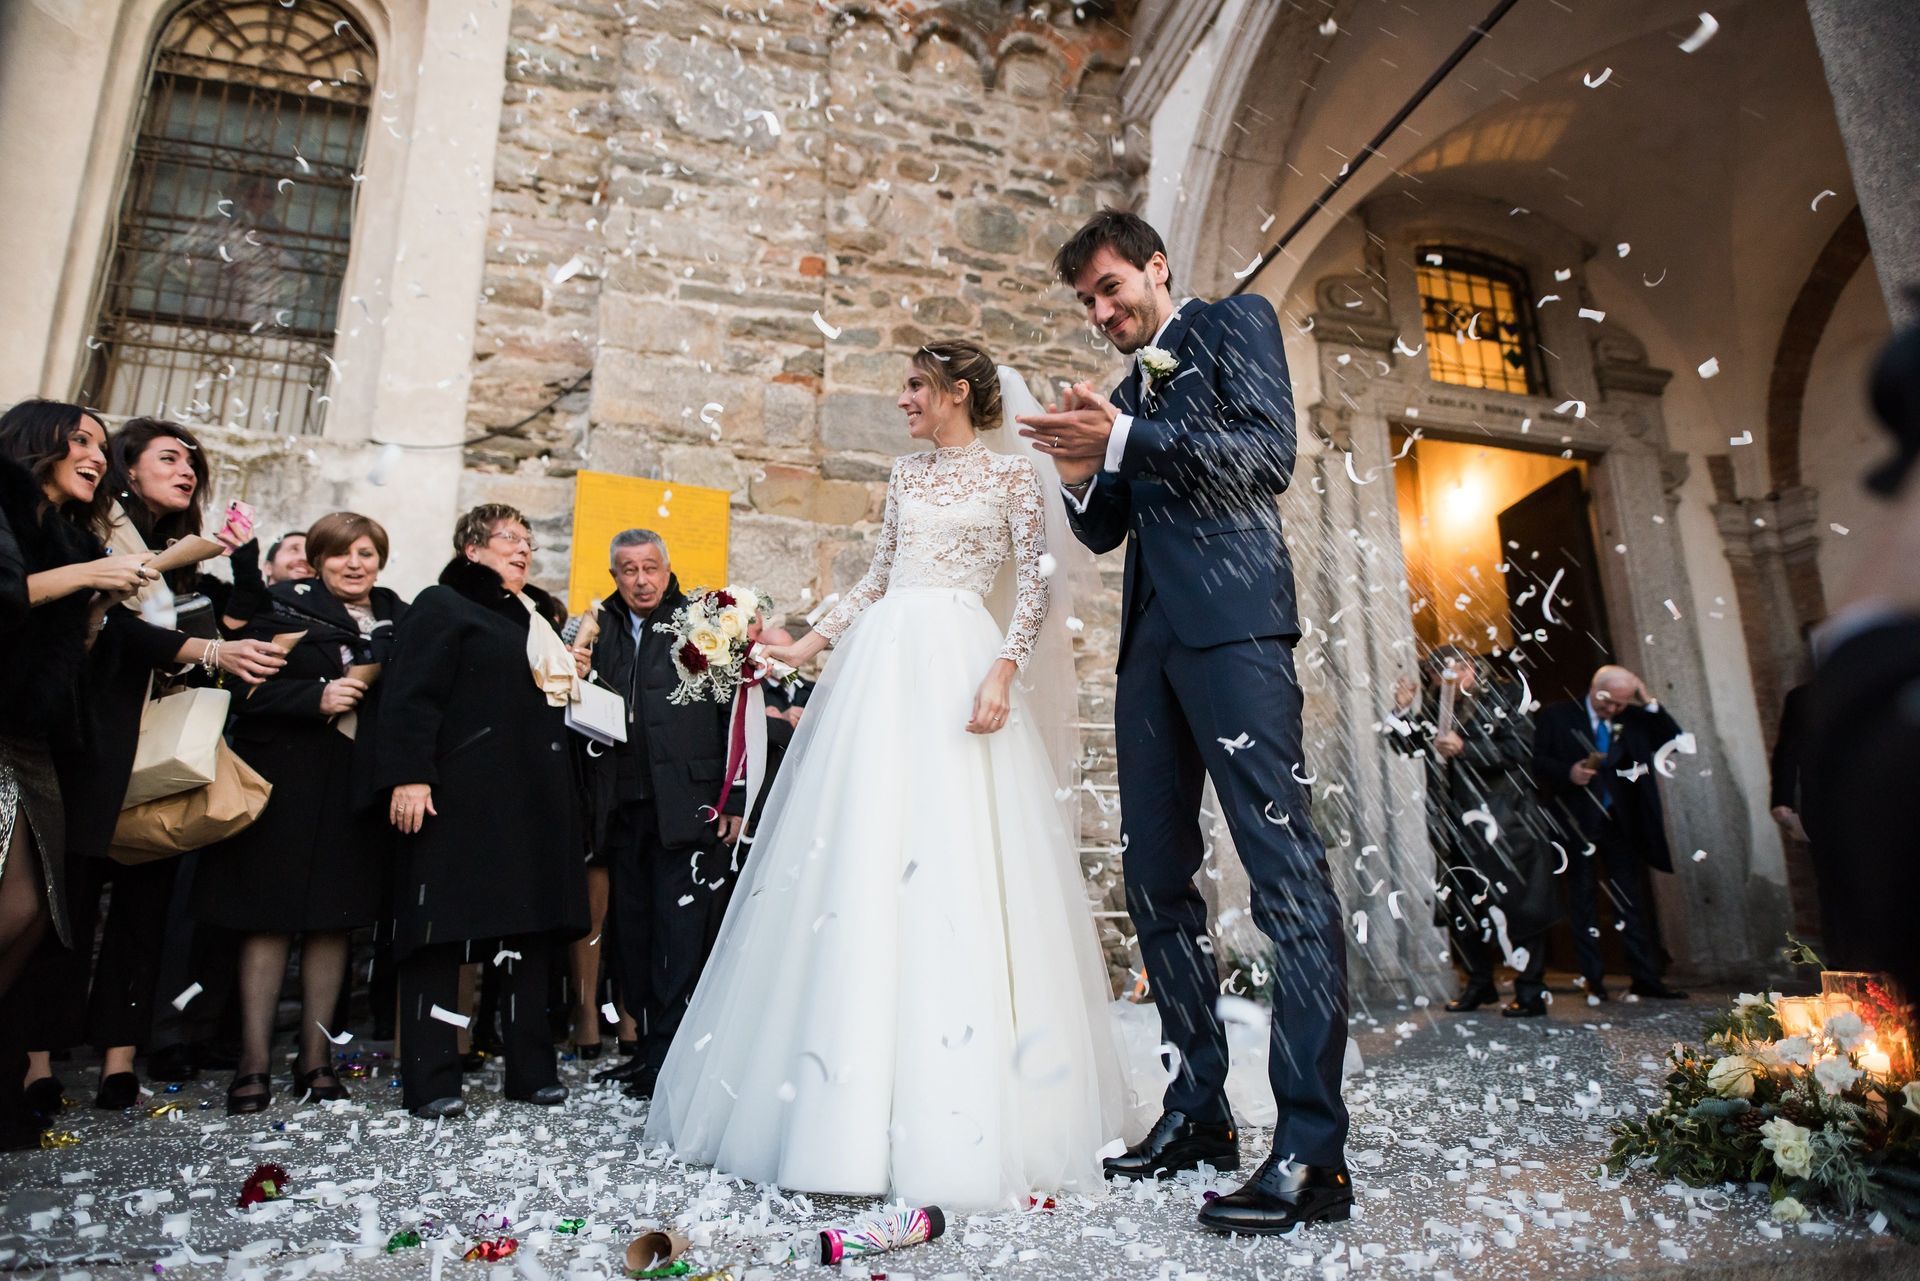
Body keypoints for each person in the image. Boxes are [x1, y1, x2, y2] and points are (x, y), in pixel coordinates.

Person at [645, 341, 1128, 1211]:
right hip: (882, 667)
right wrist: (804, 643)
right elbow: (876, 577)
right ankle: (835, 1111)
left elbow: (1034, 591)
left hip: (958, 664)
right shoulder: (905, 477)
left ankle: (962, 1108)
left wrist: (1004, 670)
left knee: (954, 860)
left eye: (915, 386)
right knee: (860, 855)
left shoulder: (1015, 478)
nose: (903, 399)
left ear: (957, 394)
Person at [1015, 209, 1350, 1234]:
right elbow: (1111, 526)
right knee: (1157, 883)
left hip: (1241, 634)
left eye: (1114, 288)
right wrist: (1082, 470)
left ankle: (1310, 1151)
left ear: (1158, 270)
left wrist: (1122, 433)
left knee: (1284, 874)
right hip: (1150, 653)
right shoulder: (1123, 396)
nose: (1104, 312)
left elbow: (1265, 455)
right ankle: (1198, 1110)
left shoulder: (1234, 324)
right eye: (1088, 303)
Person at [21, 417, 284, 1118]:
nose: (187, 469)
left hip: (163, 743)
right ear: (126, 469)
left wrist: (238, 560)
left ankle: (117, 1058)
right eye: (169, 457)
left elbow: (225, 625)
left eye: (193, 460)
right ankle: (37, 1059)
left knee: (146, 906)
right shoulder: (99, 536)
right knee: (67, 902)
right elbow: (112, 625)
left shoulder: (184, 552)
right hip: (95, 738)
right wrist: (204, 654)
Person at [373, 503, 588, 1118]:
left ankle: (530, 1069)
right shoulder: (442, 606)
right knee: (439, 937)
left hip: (527, 801)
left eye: (529, 541)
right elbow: (411, 694)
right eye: (507, 540)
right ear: (471, 549)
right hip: (458, 798)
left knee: (527, 932)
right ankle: (432, 1077)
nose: (522, 549)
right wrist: (410, 775)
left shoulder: (532, 618)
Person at [190, 512, 406, 1112]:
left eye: (366, 552)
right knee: (268, 918)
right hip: (282, 781)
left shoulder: (397, 615)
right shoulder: (279, 606)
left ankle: (316, 1059)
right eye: (340, 554)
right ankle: (254, 1060)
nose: (355, 563)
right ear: (317, 561)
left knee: (333, 920)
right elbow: (241, 689)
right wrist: (316, 696)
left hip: (351, 790)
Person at [0, 401, 151, 1148]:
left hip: (36, 735)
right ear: (39, 443)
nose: (99, 455)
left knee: (31, 914)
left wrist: (96, 601)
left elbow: (66, 650)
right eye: (82, 441)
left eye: (102, 444)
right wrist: (86, 572)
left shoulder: (66, 535)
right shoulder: (7, 508)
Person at [574, 530, 744, 1096]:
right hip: (622, 807)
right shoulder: (603, 629)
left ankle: (672, 1060)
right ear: (615, 575)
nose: (641, 580)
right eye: (628, 570)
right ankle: (645, 1048)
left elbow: (732, 715)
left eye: (650, 568)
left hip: (688, 805)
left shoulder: (702, 620)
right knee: (634, 934)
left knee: (680, 935)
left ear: (667, 568)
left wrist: (735, 799)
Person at [1385, 648, 1560, 1016]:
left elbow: (1520, 747)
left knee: (1518, 904)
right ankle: (1479, 984)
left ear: (1473, 668)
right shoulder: (1437, 704)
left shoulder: (1507, 694)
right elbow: (1407, 745)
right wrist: (1402, 710)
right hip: (1455, 823)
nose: (1446, 678)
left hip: (1506, 818)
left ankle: (1530, 989)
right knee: (1464, 906)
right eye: (1436, 672)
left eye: (1455, 669)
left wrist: (1467, 748)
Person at [1532, 665, 1689, 1001]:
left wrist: (1647, 702)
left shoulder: (1634, 717)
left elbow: (1675, 742)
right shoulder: (1557, 716)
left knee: (1631, 899)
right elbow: (1536, 761)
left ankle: (1646, 978)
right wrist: (1567, 772)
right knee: (1583, 900)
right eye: (1610, 703)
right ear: (1595, 689)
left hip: (1622, 822)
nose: (1614, 710)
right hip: (1576, 821)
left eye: (1621, 703)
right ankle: (1594, 980)